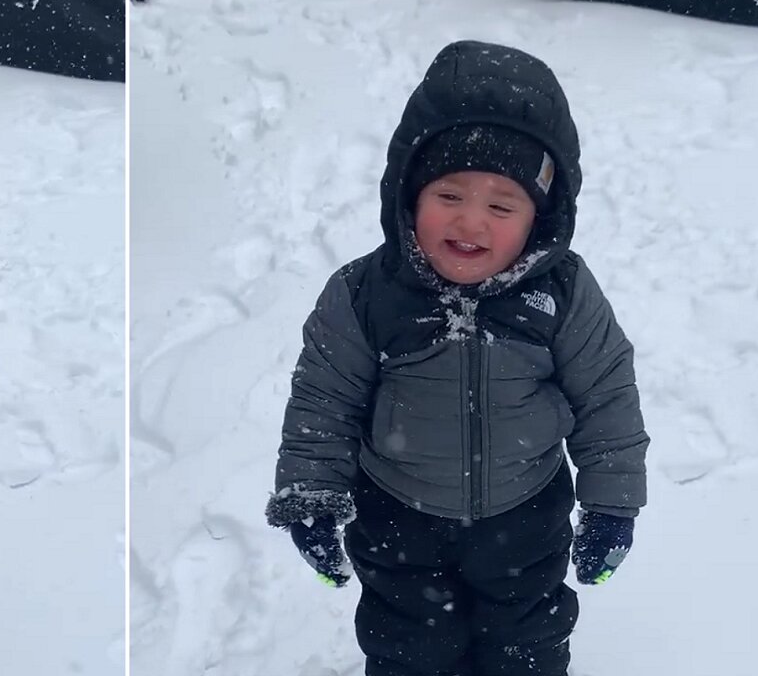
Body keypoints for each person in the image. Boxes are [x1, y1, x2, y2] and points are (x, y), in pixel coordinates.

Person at [265, 40, 649, 676]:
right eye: (449, 196)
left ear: (540, 221)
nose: (471, 222)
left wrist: (612, 504)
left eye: (502, 206)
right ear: (409, 195)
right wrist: (310, 493)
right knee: (408, 644)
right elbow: (323, 400)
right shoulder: (365, 293)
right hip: (398, 517)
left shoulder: (563, 293)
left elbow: (606, 394)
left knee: (527, 639)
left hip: (526, 516)